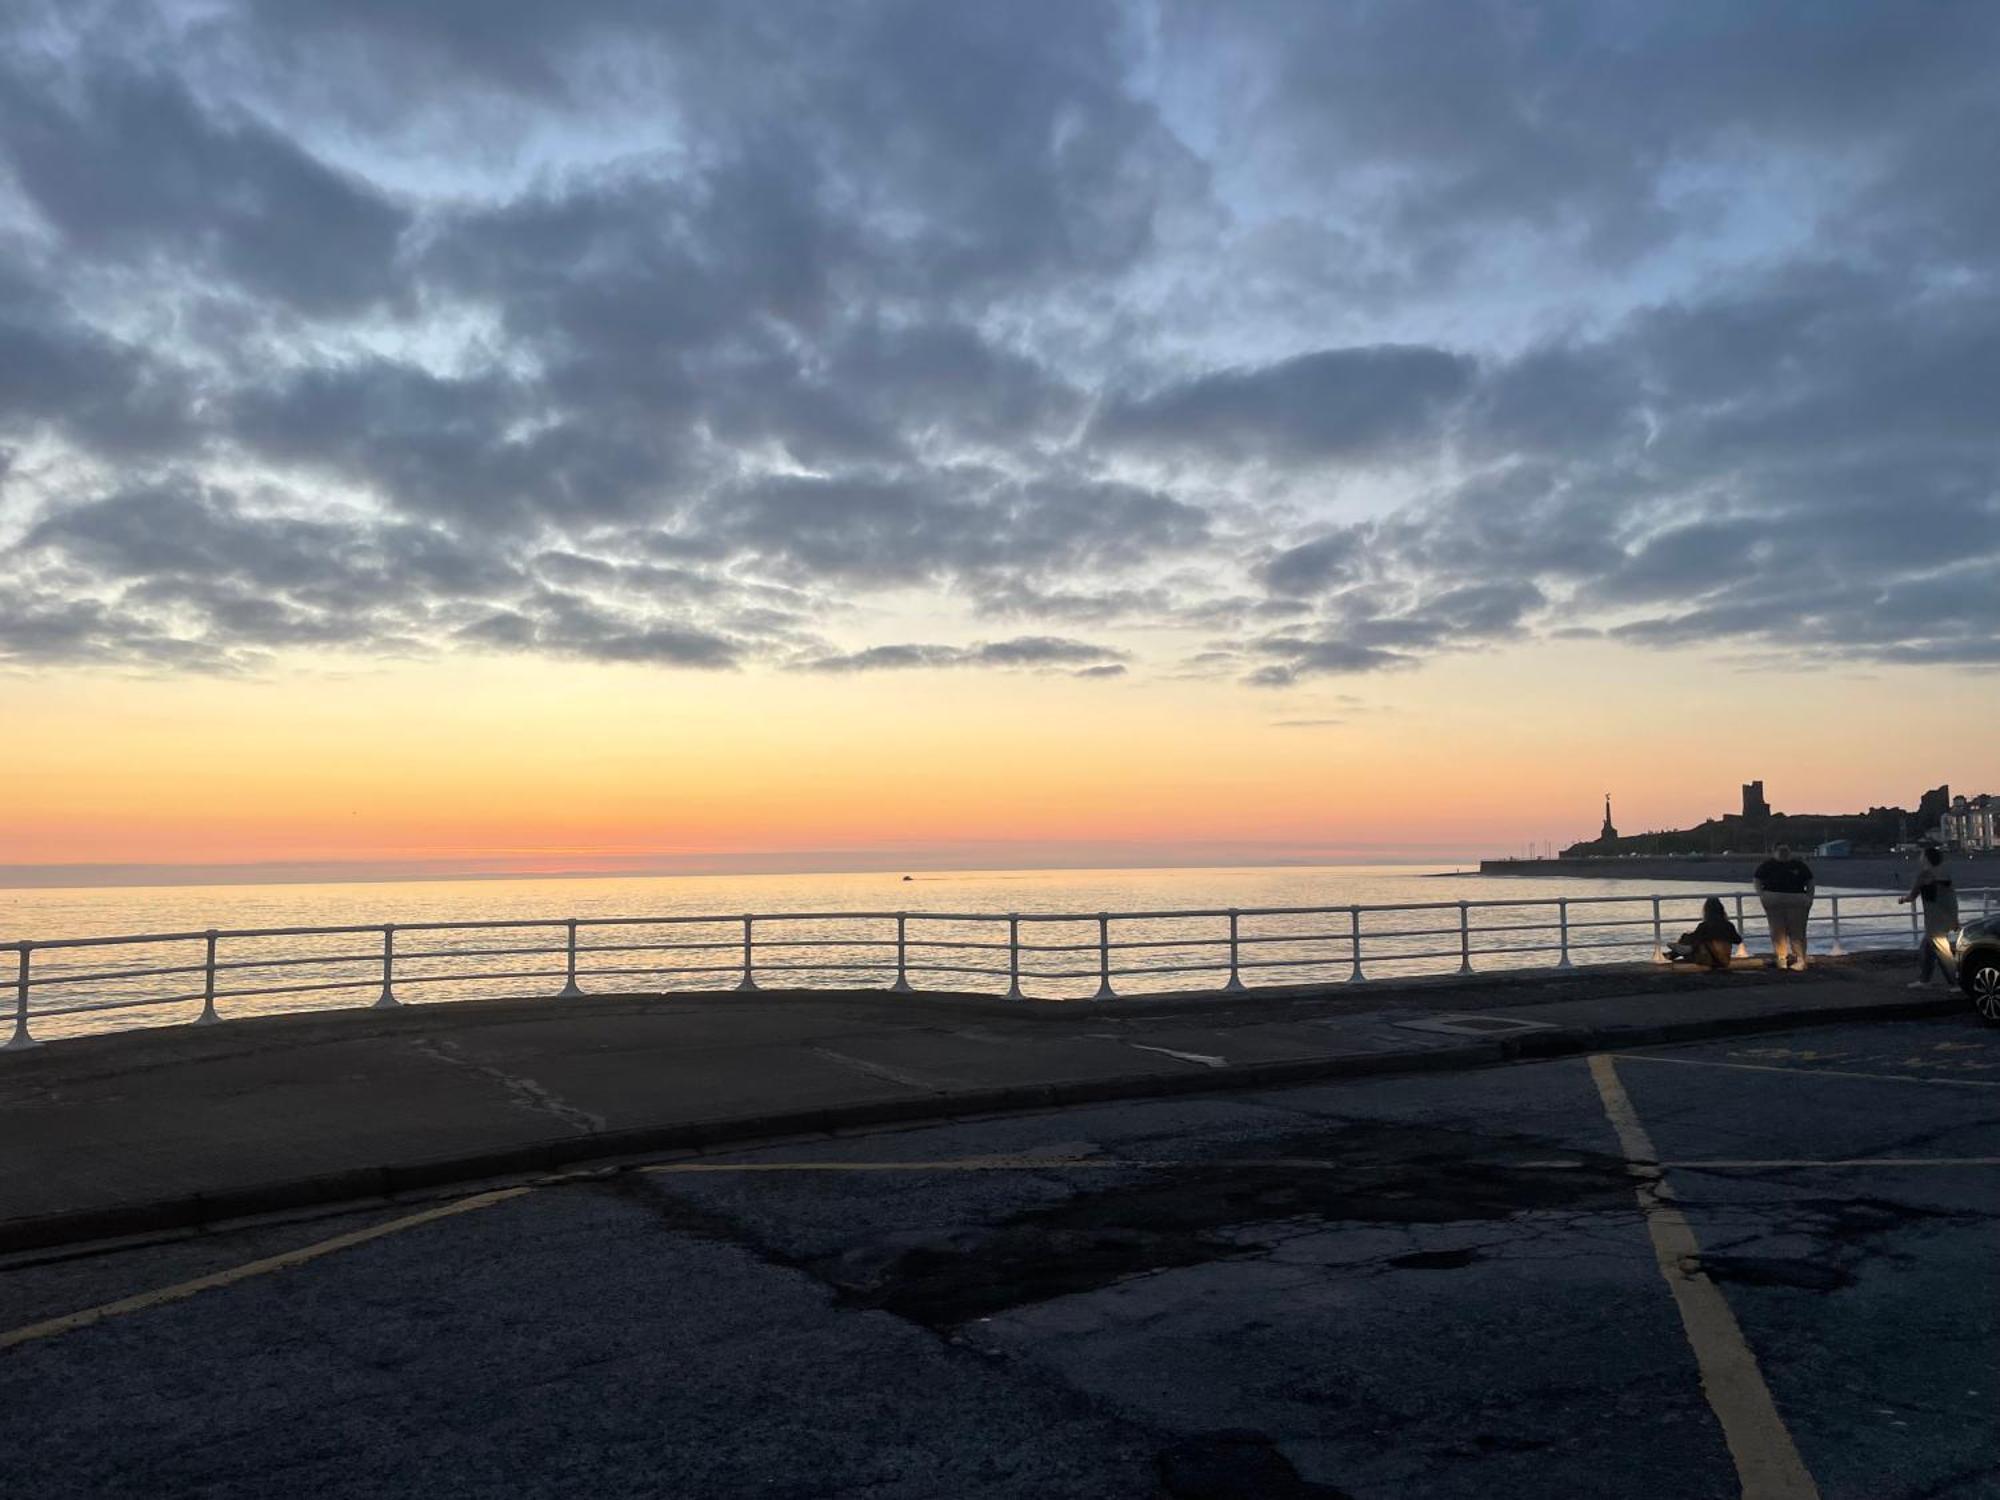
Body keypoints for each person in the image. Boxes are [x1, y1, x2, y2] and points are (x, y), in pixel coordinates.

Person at [1897, 845, 1959, 989]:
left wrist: (1903, 899)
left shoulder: (1925, 874)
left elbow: (1912, 896)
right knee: (1926, 949)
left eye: (1921, 855)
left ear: (1926, 858)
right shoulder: (1945, 874)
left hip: (1934, 920)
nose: (1920, 858)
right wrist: (1955, 919)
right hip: (1946, 917)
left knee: (1944, 954)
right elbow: (1951, 898)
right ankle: (1925, 980)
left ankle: (1956, 983)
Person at [1752, 842, 1815, 970]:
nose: (1783, 852)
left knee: (1795, 931)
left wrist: (1809, 897)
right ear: (1774, 851)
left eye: (1785, 850)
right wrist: (1762, 894)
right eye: (1781, 850)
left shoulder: (1798, 865)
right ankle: (1784, 959)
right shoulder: (1768, 865)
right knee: (1778, 931)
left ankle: (1799, 959)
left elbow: (1810, 880)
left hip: (1794, 899)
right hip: (1776, 899)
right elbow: (1757, 879)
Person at [1664, 897, 1741, 969]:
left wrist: (1687, 937)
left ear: (1706, 911)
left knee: (1687, 938)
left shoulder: (1704, 926)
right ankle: (1673, 954)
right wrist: (1723, 937)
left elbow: (1695, 939)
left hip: (1709, 961)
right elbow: (1738, 940)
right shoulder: (1729, 925)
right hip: (1725, 961)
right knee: (1693, 940)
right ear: (1721, 910)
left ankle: (1672, 954)